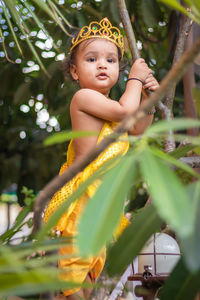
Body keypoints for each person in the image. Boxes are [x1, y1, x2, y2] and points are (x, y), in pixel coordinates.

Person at [43, 18, 159, 299]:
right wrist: (134, 79)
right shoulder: (83, 98)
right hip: (81, 203)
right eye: (92, 59)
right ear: (74, 71)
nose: (102, 65)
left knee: (94, 277)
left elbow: (137, 128)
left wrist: (149, 98)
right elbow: (124, 113)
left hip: (102, 204)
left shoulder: (112, 105)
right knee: (75, 279)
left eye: (110, 59)